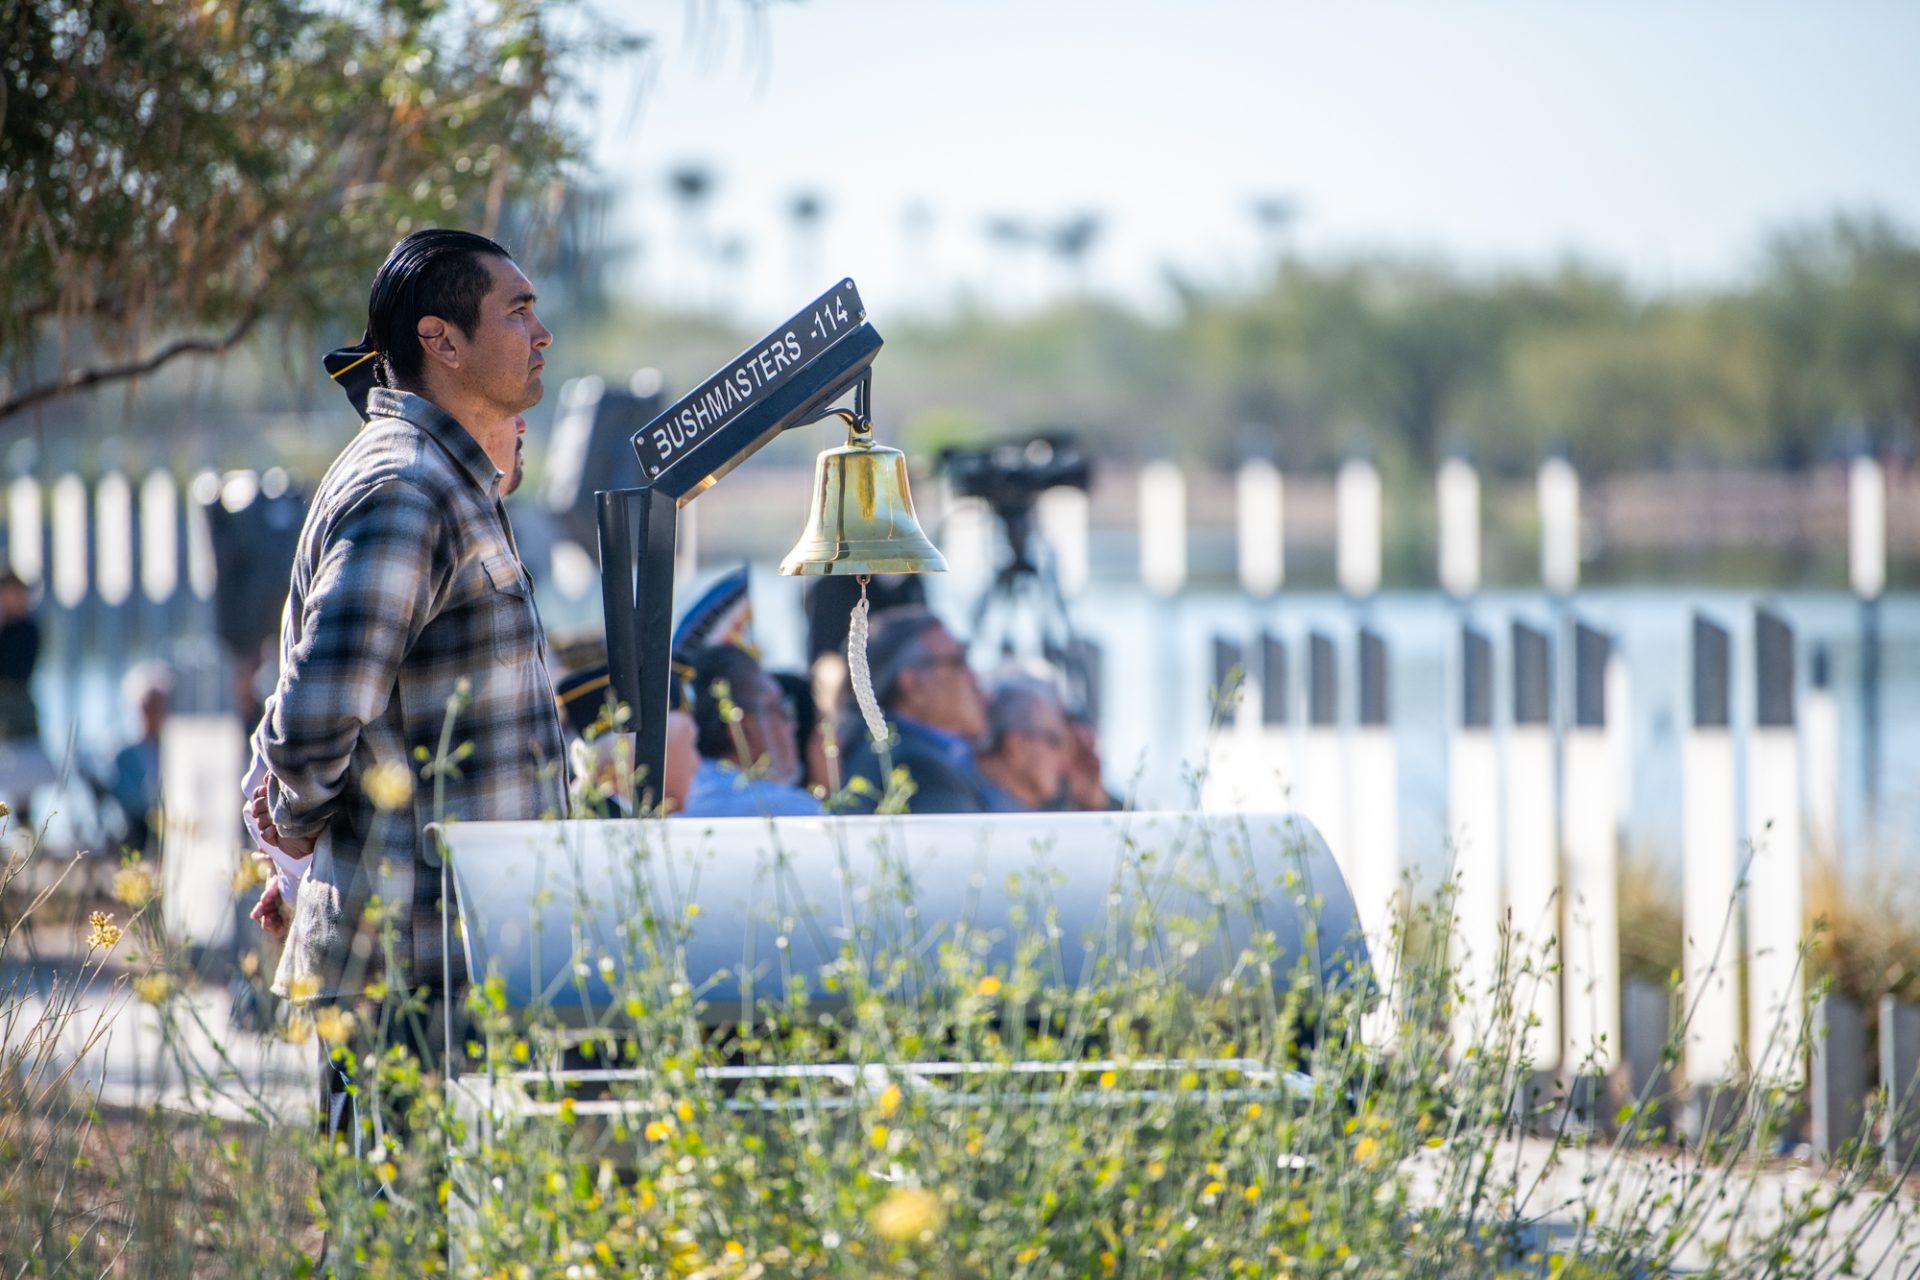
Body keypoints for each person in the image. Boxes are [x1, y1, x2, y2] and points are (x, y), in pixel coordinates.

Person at [244, 229, 568, 1118]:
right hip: (415, 979)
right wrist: (304, 839)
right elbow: (310, 726)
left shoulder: (447, 483)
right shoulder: (409, 490)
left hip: (463, 973)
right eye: (519, 310)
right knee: (394, 1243)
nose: (542, 334)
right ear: (443, 341)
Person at [835, 606, 992, 815]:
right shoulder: (916, 766)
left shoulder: (903, 753)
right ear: (912, 683)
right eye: (957, 662)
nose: (974, 677)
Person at [677, 645, 823, 819]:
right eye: (782, 708)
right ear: (743, 728)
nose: (792, 725)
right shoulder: (799, 813)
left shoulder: (668, 801)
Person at [974, 676, 1074, 812]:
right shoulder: (963, 807)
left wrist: (1091, 807)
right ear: (1017, 746)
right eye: (1055, 741)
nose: (1065, 761)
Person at [110, 662, 172, 855]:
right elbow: (129, 801)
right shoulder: (123, 751)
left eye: (158, 706)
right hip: (136, 830)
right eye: (148, 706)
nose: (153, 713)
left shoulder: (174, 749)